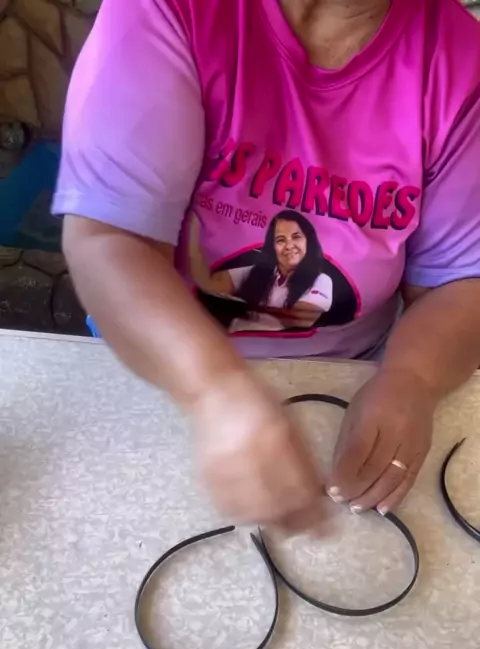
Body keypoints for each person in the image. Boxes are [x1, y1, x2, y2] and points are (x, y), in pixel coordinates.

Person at [52, 0, 480, 534]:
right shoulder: (169, 9)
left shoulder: (463, 63)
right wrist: (211, 389)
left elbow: (458, 281)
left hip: (351, 379)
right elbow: (111, 240)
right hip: (156, 363)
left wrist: (413, 378)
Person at [188, 209, 346, 332]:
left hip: (286, 356)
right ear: (272, 247)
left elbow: (300, 319)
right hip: (233, 347)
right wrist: (193, 236)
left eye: (296, 237)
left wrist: (242, 307)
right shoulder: (256, 272)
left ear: (308, 241)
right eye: (280, 240)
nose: (289, 245)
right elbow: (209, 284)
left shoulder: (321, 280)